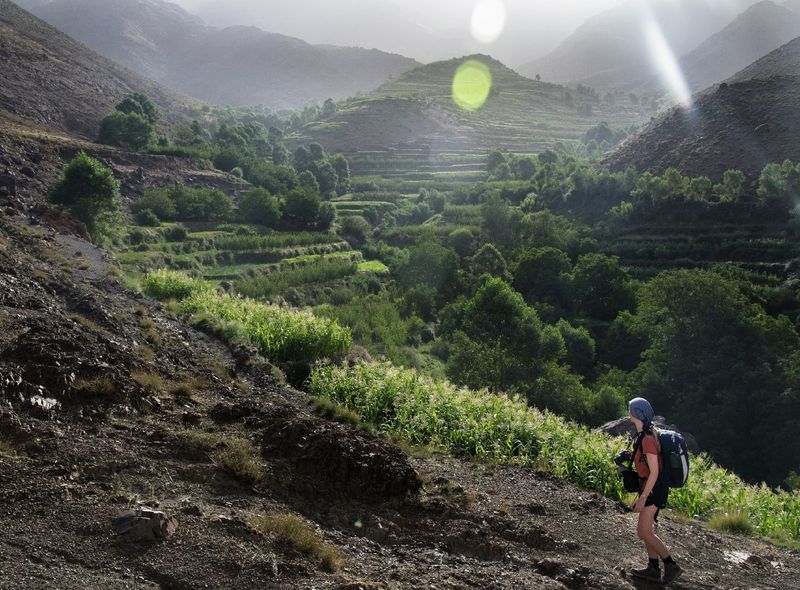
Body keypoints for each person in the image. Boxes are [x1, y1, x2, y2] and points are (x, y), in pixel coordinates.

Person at [628, 397, 682, 585]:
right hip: (651, 488)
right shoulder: (643, 435)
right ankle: (653, 568)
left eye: (631, 409)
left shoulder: (648, 439)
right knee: (645, 531)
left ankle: (671, 565)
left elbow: (655, 471)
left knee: (644, 531)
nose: (629, 412)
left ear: (637, 413)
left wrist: (644, 497)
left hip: (654, 490)